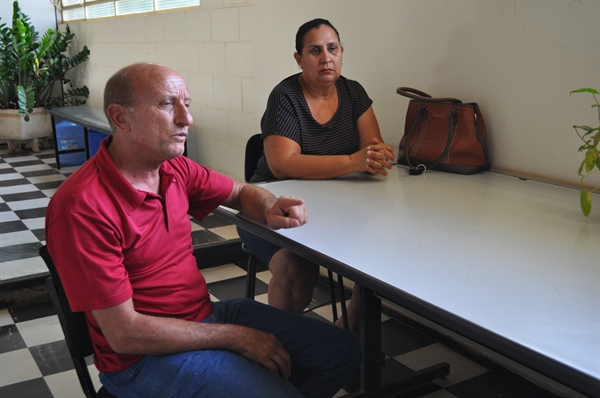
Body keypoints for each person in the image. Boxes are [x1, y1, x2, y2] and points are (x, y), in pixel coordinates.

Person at [45, 63, 361, 398]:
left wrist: (269, 206)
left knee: (341, 351)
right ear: (121, 118)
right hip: (141, 358)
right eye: (167, 105)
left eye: (187, 105)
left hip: (205, 316)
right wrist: (237, 337)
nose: (186, 119)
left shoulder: (173, 167)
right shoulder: (82, 207)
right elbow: (125, 334)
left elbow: (239, 193)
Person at [237, 18, 396, 337]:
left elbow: (371, 151)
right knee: (298, 266)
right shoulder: (285, 96)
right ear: (299, 58)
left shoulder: (353, 93)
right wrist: (353, 161)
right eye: (315, 50)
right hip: (272, 206)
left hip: (338, 204)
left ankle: (347, 334)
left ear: (341, 53)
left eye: (332, 48)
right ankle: (275, 349)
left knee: (384, 251)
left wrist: (373, 157)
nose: (326, 58)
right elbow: (283, 165)